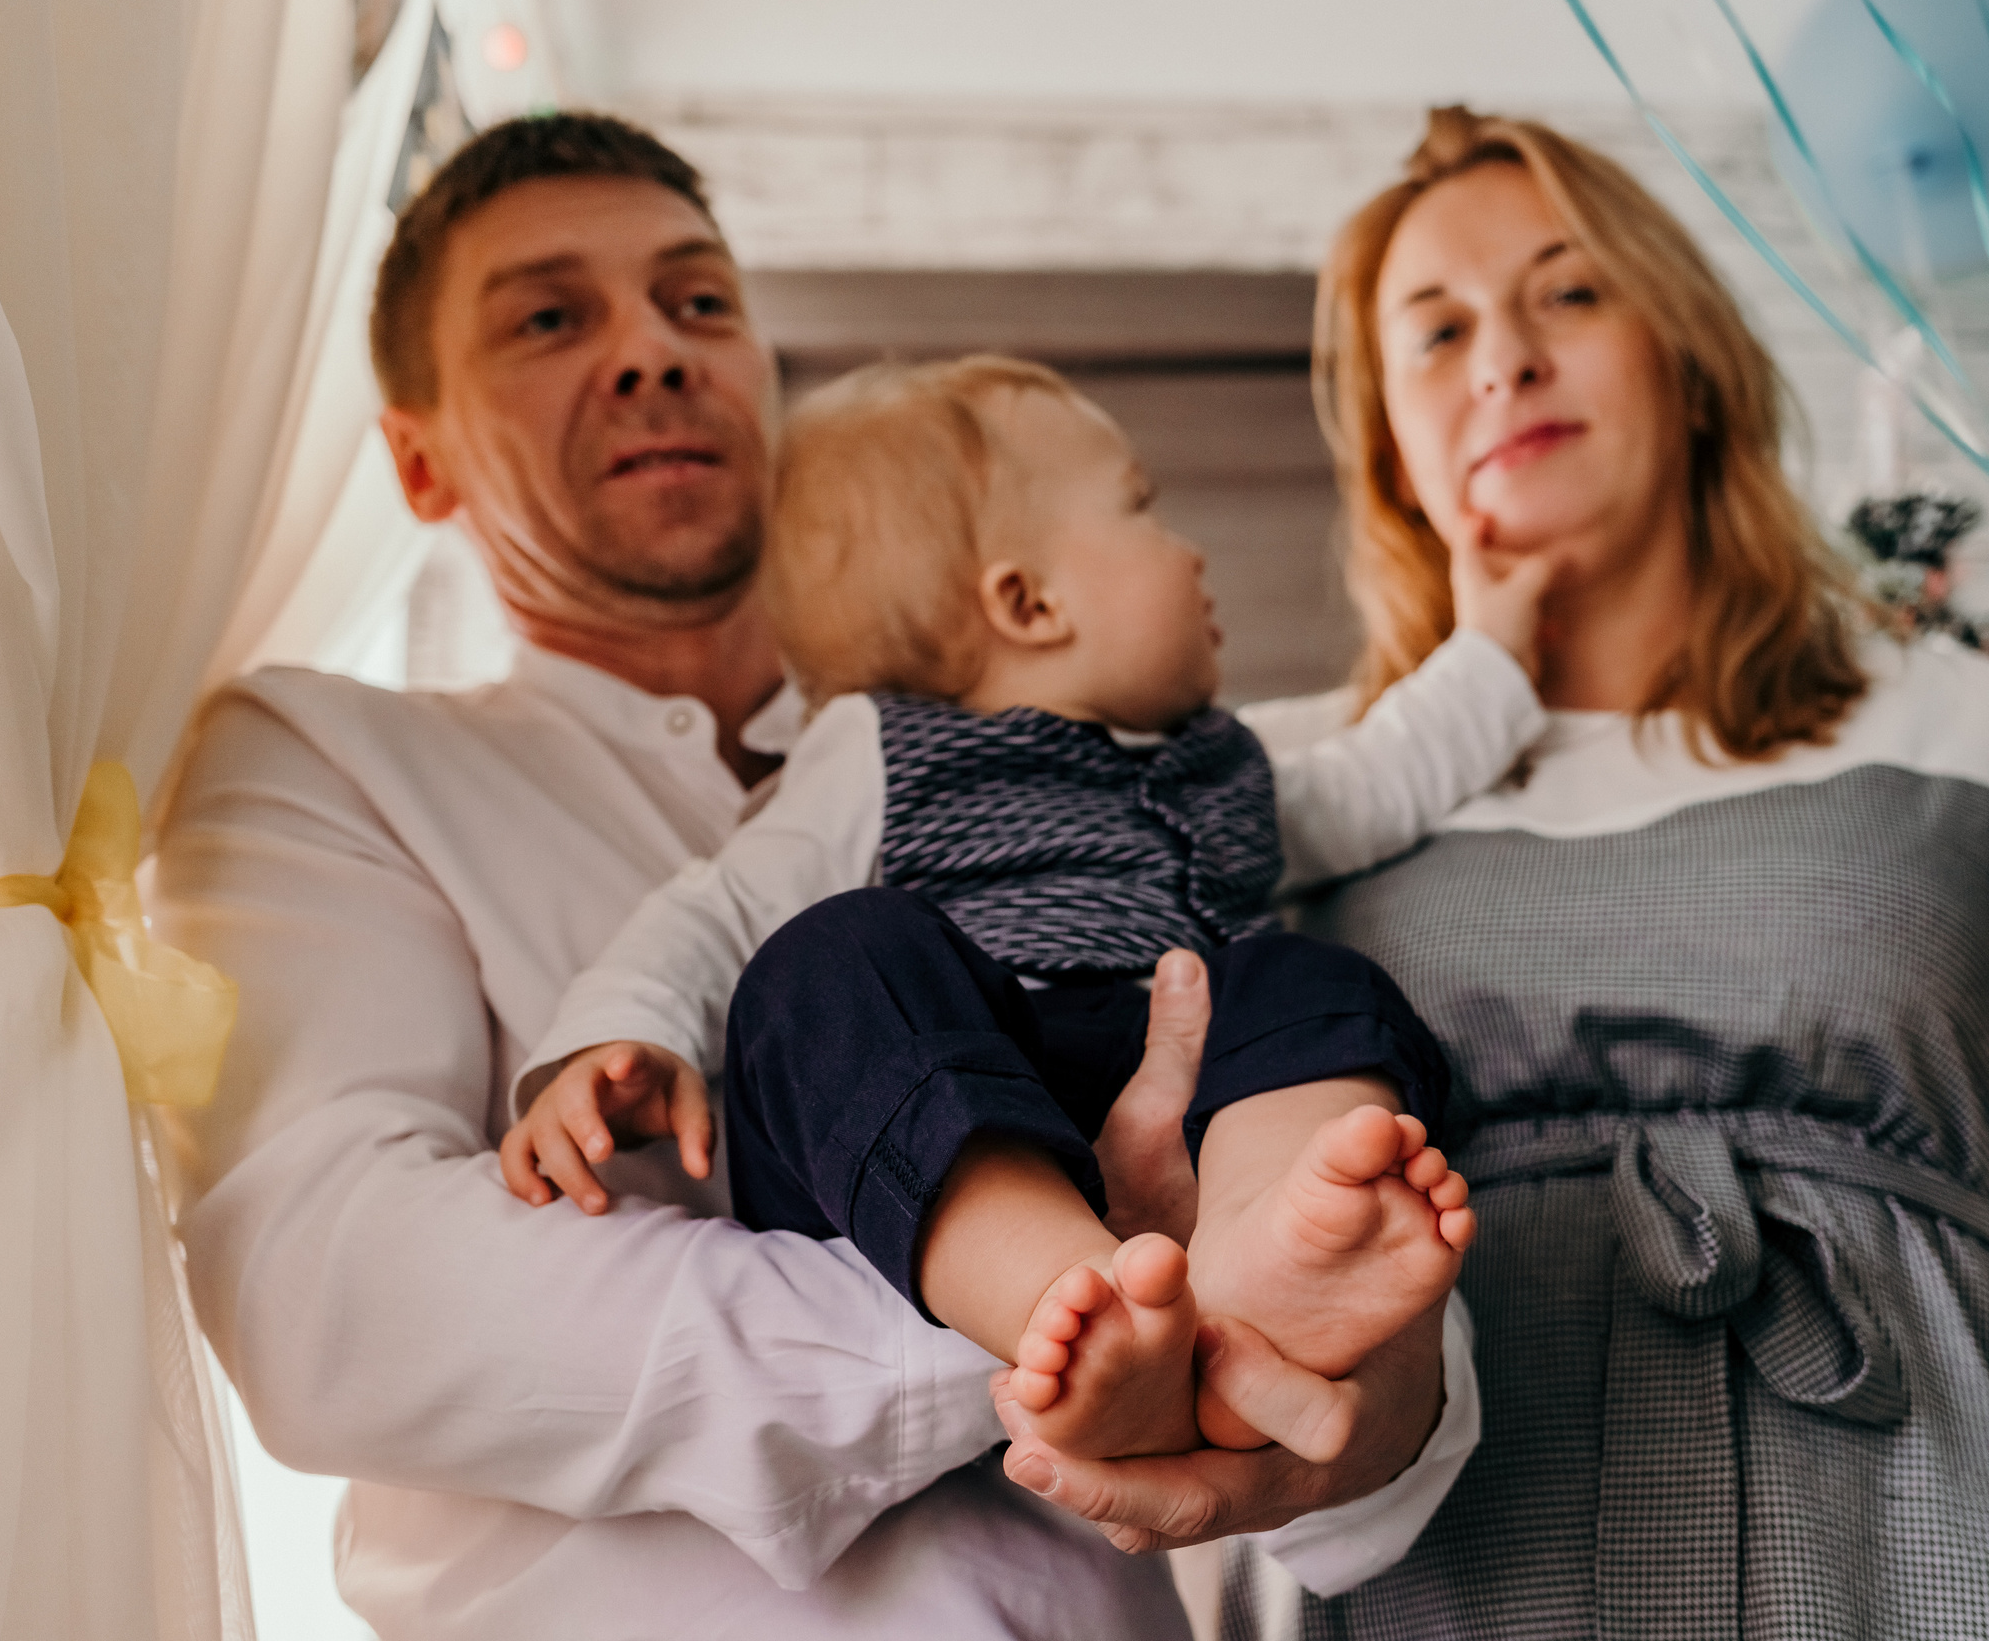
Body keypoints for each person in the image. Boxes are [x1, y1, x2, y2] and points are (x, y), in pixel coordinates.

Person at [148, 114, 1484, 1641]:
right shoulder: (327, 754)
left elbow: (1332, 1344)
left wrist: (1371, 1386)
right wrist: (1054, 1289)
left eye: (699, 302)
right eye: (550, 316)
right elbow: (341, 1299)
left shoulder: (1074, 767)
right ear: (421, 456)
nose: (653, 351)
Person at [1139, 108, 1989, 1641]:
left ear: (1690, 350)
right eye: (1437, 329)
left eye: (1568, 292)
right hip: (1438, 1593)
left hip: (1934, 1568)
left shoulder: (1953, 721)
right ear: (1388, 434)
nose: (1504, 360)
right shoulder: (1277, 793)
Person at [505, 353, 1557, 1459]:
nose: (1189, 549)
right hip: (943, 1111)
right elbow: (716, 907)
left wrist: (1493, 647)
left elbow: (1376, 782)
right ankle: (1068, 1296)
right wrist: (620, 1032)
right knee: (837, 956)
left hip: (1176, 1092)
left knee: (1317, 982)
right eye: (1142, 509)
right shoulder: (881, 750)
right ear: (1028, 601)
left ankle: (1260, 1260)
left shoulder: (1220, 769)